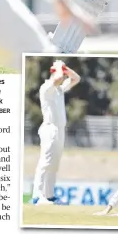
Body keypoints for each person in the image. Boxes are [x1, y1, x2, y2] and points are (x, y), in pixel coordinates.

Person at [31, 60, 80, 205]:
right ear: (53, 73)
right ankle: (37, 196)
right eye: (61, 74)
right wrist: (59, 67)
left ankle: (49, 195)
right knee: (45, 162)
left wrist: (65, 68)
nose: (64, 78)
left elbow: (76, 79)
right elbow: (58, 78)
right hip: (49, 128)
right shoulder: (46, 87)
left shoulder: (59, 89)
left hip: (59, 130)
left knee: (54, 164)